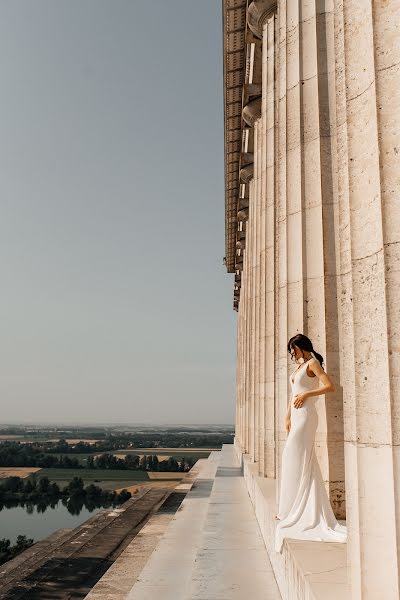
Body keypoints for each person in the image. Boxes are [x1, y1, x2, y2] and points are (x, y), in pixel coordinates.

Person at [274, 333, 347, 553]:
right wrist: (287, 416)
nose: (292, 353)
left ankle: (292, 511)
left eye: (293, 348)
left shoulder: (313, 363)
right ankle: (292, 508)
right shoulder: (299, 367)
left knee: (295, 457)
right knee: (298, 460)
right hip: (296, 416)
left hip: (306, 416)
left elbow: (329, 386)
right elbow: (292, 394)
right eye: (290, 349)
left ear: (302, 346)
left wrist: (307, 395)